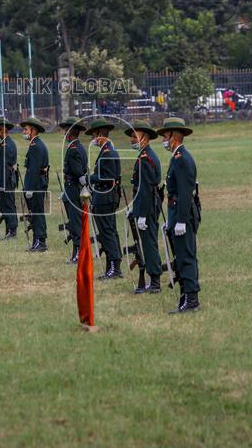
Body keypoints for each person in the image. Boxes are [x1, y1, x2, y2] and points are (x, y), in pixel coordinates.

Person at [157, 117, 201, 314]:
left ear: (173, 137)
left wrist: (181, 220)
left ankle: (191, 299)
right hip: (176, 212)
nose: (163, 141)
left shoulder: (182, 159)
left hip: (183, 214)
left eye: (165, 136)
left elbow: (184, 193)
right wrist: (172, 219)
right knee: (180, 255)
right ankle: (185, 296)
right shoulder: (177, 157)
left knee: (185, 256)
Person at [125, 119, 163, 293]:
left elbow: (146, 189)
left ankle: (155, 282)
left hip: (148, 208)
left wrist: (142, 215)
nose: (132, 139)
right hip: (145, 206)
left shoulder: (146, 158)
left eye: (135, 136)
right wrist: (135, 208)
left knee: (149, 244)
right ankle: (153, 279)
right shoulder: (143, 155)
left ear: (145, 138)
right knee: (148, 243)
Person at [86, 119, 122, 279]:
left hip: (105, 197)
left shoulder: (107, 152)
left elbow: (106, 176)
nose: (92, 139)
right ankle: (112, 265)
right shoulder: (108, 150)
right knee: (110, 231)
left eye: (93, 135)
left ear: (99, 135)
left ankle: (115, 267)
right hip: (107, 196)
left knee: (107, 232)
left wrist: (88, 179)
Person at [58, 117, 88, 264]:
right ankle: (77, 252)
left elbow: (77, 172)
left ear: (70, 132)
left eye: (66, 131)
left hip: (73, 187)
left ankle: (78, 253)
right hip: (72, 187)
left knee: (75, 221)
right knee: (75, 220)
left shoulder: (74, 149)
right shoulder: (79, 147)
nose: (65, 133)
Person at [20, 117, 49, 252]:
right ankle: (37, 241)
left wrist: (30, 188)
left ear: (33, 131)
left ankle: (40, 242)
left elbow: (34, 169)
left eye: (26, 129)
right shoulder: (36, 144)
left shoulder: (35, 146)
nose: (23, 132)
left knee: (37, 213)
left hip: (36, 185)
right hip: (37, 184)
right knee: (36, 213)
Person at [0, 118, 18, 240]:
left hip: (6, 180)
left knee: (8, 205)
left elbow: (6, 167)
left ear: (2, 129)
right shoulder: (4, 143)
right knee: (5, 205)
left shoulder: (7, 144)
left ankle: (12, 231)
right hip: (4, 178)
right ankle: (9, 230)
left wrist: (1, 183)